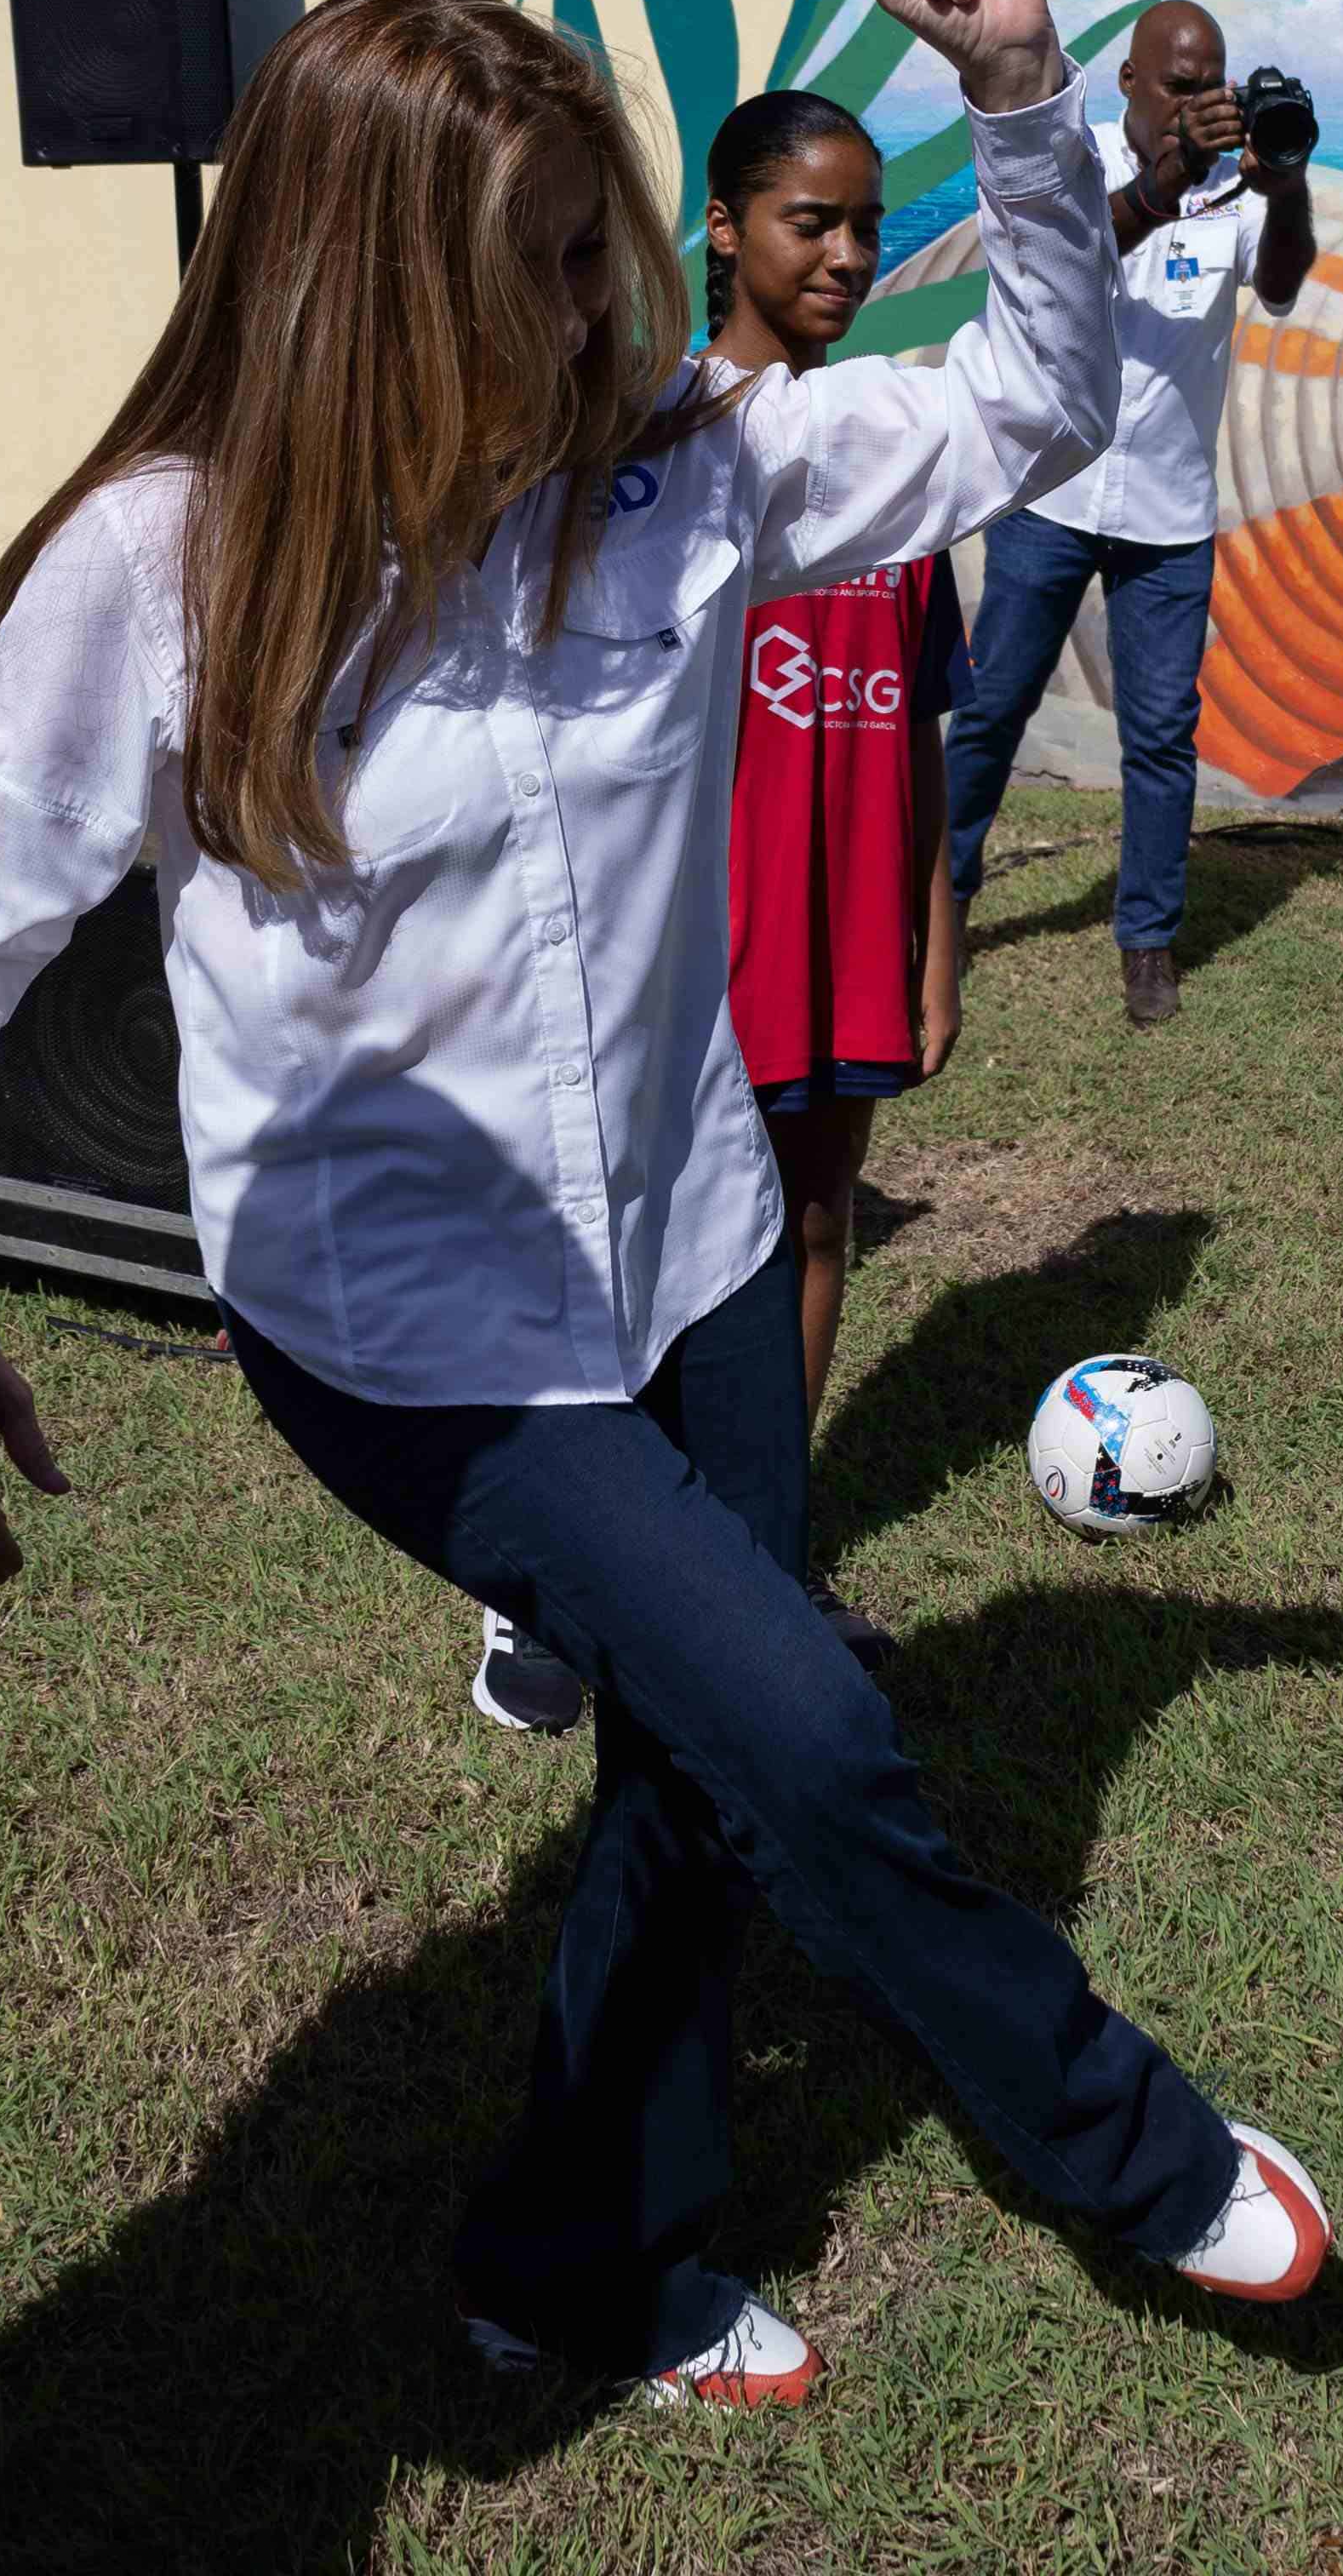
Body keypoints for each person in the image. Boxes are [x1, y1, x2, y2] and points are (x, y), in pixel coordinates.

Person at [0, 0, 1336, 2412]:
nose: (581, 325)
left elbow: (1040, 405)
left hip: (704, 1259)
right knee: (814, 1727)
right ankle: (1117, 2137)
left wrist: (1023, 95)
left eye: (592, 261)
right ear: (350, 284)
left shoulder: (678, 473)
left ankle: (569, 2253)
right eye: (525, 275)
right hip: (420, 1343)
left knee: (689, 1753)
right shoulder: (163, 566)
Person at [458, 86, 958, 1734]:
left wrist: (932, 931)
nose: (846, 253)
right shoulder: (657, 458)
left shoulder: (884, 459)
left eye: (868, 223)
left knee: (813, 1227)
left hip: (847, 930)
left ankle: (758, 1557)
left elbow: (928, 716)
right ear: (722, 232)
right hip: (693, 941)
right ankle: (563, 1589)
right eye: (810, 220)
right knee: (645, 1263)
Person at [937, 0, 1316, 1029]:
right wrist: (1165, 182)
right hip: (1051, 494)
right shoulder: (1070, 159)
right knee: (991, 710)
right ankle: (942, 903)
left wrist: (1285, 192)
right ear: (1133, 85)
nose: (1204, 103)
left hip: (1168, 508)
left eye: (1216, 83)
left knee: (1160, 736)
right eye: (1183, 86)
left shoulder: (1237, 185)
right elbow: (1071, 261)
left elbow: (1279, 287)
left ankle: (1147, 941)